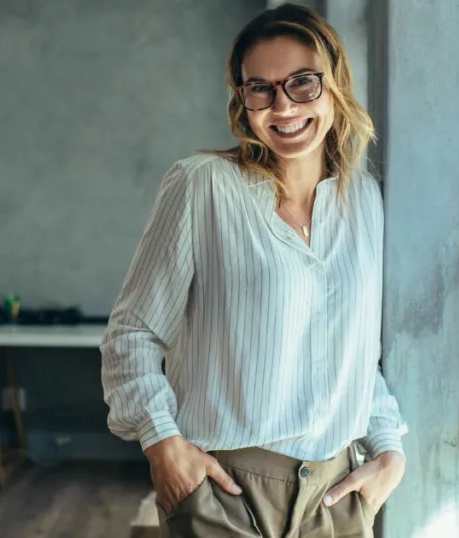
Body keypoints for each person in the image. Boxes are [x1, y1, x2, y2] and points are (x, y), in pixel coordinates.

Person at [100, 4, 408, 537]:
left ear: (335, 85)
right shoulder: (203, 186)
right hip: (224, 487)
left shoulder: (364, 200)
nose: (282, 105)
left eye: (302, 83)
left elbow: (358, 354)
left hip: (336, 491)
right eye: (260, 88)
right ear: (242, 100)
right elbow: (132, 334)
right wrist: (163, 445)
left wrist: (389, 449)